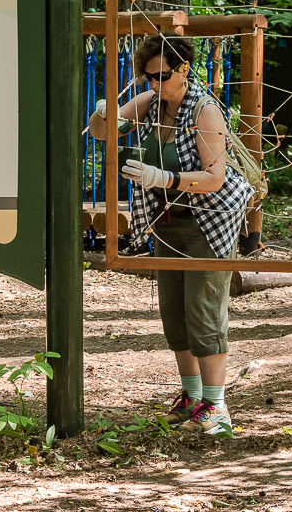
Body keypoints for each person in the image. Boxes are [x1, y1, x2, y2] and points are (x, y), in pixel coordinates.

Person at [87, 33, 252, 436]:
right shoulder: (152, 101)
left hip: (209, 220)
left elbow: (214, 179)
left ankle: (218, 406)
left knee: (204, 310)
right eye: (147, 76)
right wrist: (102, 112)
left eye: (161, 75)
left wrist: (165, 177)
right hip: (166, 220)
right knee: (173, 311)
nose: (154, 83)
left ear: (183, 69)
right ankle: (191, 396)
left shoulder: (205, 111)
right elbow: (102, 133)